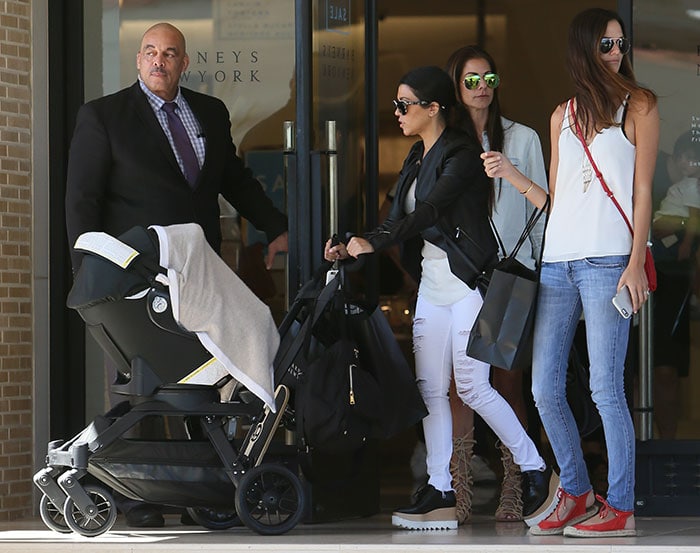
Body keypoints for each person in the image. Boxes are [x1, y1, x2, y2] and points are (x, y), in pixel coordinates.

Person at [64, 22, 289, 527]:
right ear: (138, 60)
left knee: (201, 381)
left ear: (184, 63)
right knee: (142, 386)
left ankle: (201, 490)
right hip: (132, 278)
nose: (158, 61)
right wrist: (90, 277)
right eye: (149, 52)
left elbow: (234, 179)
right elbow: (82, 202)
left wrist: (277, 228)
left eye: (169, 54)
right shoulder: (104, 117)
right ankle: (134, 497)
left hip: (197, 273)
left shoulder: (209, 112)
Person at [325, 65, 557, 531]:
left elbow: (433, 210)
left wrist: (376, 243)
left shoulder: (462, 153)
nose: (396, 112)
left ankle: (536, 470)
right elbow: (396, 216)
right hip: (432, 287)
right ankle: (440, 490)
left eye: (404, 104)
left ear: (433, 109)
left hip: (469, 284)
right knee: (430, 389)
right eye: (395, 103)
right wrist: (354, 241)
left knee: (471, 386)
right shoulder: (416, 154)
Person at [482, 7, 659, 538]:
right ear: (584, 49)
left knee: (606, 388)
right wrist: (513, 175)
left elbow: (642, 190)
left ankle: (621, 505)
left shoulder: (640, 104)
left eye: (621, 44)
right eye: (606, 45)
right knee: (544, 388)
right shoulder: (561, 115)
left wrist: (634, 262)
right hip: (557, 261)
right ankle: (577, 491)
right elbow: (557, 201)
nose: (617, 53)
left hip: (609, 261)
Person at [443, 45, 549, 525]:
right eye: (471, 79)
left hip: (509, 274)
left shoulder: (523, 137)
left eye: (489, 78)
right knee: (456, 386)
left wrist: (511, 171)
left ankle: (516, 485)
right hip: (458, 275)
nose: (481, 86)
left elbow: (545, 208)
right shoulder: (443, 139)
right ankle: (458, 489)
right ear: (455, 85)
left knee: (507, 381)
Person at [650, 131, 700, 439]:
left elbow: (691, 221)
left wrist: (683, 236)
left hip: (673, 283)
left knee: (666, 370)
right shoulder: (650, 176)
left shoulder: (690, 187)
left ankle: (666, 448)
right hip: (642, 281)